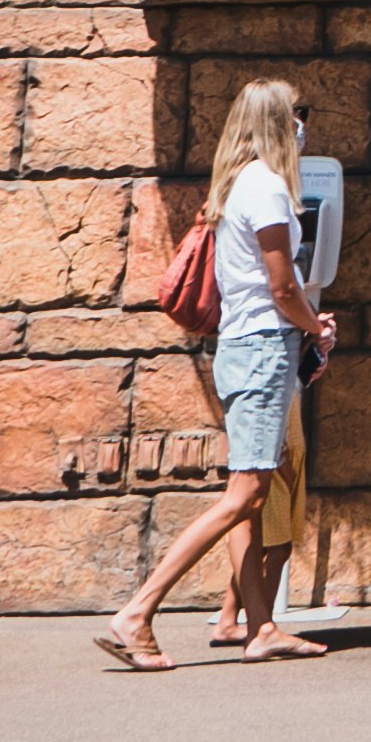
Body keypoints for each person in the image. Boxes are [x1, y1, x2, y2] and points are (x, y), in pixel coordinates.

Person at [99, 79, 339, 669]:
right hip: (263, 349)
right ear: (279, 122)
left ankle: (260, 627)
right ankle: (138, 612)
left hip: (242, 347)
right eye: (297, 113)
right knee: (246, 493)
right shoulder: (270, 189)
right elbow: (282, 287)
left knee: (256, 488)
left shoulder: (237, 185)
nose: (303, 122)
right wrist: (315, 328)